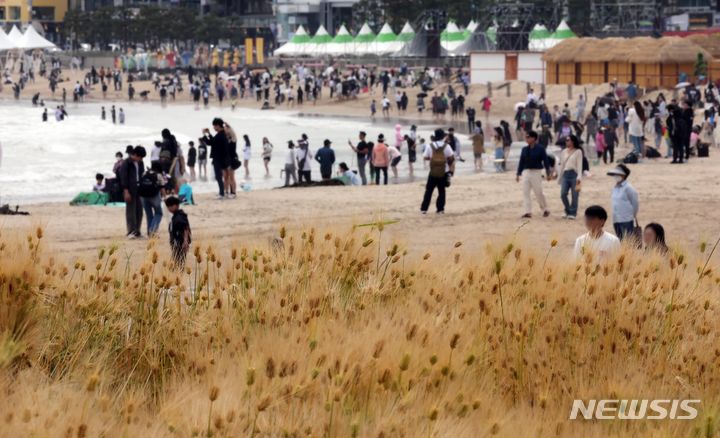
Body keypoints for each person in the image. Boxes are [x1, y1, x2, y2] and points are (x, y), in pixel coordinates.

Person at [516, 131, 552, 218]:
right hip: (526, 172)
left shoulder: (540, 148)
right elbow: (521, 161)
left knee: (538, 192)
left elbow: (545, 160)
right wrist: (518, 173)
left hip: (536, 172)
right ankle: (528, 211)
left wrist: (548, 172)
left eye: (528, 137)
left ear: (534, 138)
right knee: (525, 192)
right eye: (526, 137)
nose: (527, 139)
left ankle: (545, 209)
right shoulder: (524, 149)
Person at [420, 129, 454, 215]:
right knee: (441, 191)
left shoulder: (429, 146)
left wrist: (432, 158)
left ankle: (424, 209)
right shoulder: (447, 146)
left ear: (435, 136)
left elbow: (425, 157)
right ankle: (440, 209)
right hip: (443, 172)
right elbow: (451, 158)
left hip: (433, 172)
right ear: (443, 136)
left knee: (429, 190)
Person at [119, 146, 146, 239]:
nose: (141, 159)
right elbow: (123, 178)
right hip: (129, 190)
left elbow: (142, 174)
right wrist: (126, 191)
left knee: (139, 211)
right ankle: (131, 231)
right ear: (134, 154)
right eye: (140, 157)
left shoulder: (141, 163)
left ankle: (137, 231)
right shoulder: (126, 163)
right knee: (131, 211)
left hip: (139, 189)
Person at [607, 164, 639, 241]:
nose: (616, 176)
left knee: (628, 243)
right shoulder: (615, 187)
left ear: (623, 175)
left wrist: (632, 215)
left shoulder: (628, 188)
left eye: (618, 174)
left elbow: (635, 204)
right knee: (620, 241)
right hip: (616, 219)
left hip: (626, 220)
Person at [557, 135, 583, 220]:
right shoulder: (563, 151)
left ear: (573, 141)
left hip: (574, 174)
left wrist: (579, 177)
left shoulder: (578, 151)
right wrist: (559, 176)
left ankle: (573, 213)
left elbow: (579, 165)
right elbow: (561, 165)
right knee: (563, 194)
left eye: (568, 140)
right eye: (566, 140)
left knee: (575, 195)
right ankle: (567, 210)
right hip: (565, 174)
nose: (566, 142)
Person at [202, 118, 230, 199]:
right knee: (221, 176)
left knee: (218, 176)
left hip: (218, 159)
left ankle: (222, 193)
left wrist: (204, 134)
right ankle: (223, 192)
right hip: (223, 158)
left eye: (214, 126)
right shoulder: (221, 134)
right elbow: (213, 141)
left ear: (217, 125)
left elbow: (209, 143)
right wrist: (209, 133)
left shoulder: (220, 135)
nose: (214, 127)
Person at [139, 161, 165, 238]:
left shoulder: (144, 173)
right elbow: (162, 187)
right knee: (158, 213)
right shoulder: (158, 175)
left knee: (149, 214)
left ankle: (150, 233)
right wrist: (165, 197)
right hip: (154, 196)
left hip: (143, 197)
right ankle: (152, 230)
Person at [165, 196, 191, 269]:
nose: (169, 208)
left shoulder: (179, 217)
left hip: (180, 243)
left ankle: (178, 275)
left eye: (171, 206)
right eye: (168, 206)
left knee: (179, 261)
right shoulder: (176, 216)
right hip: (176, 243)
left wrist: (185, 241)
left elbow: (185, 228)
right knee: (177, 260)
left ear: (176, 205)